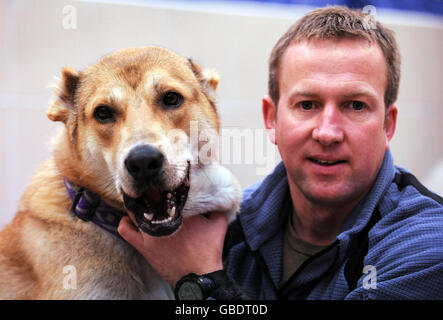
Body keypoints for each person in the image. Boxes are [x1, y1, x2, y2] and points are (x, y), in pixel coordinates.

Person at [118, 6, 443, 300]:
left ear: (388, 124)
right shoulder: (225, 227)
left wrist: (201, 280)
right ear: (271, 119)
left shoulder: (429, 246)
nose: (327, 132)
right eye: (307, 105)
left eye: (355, 105)